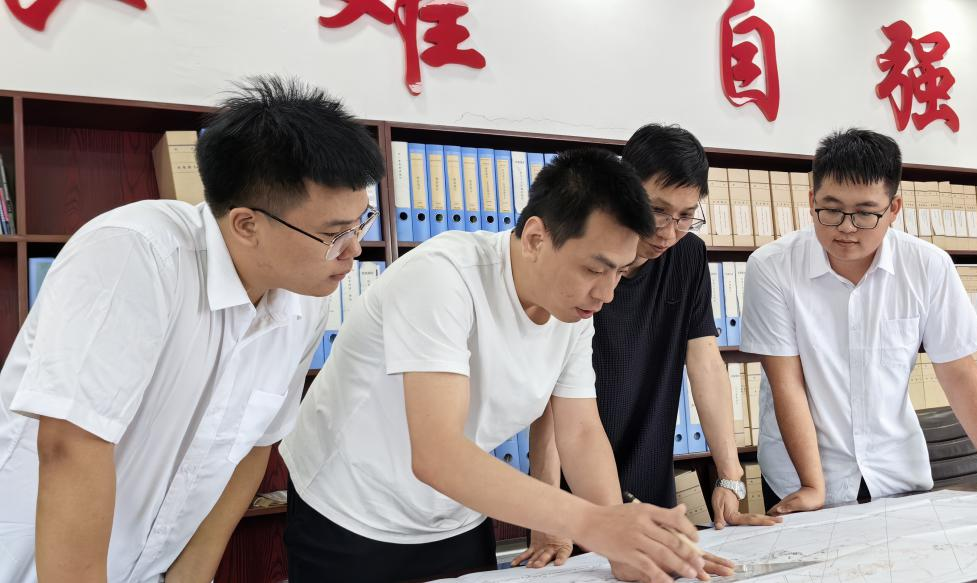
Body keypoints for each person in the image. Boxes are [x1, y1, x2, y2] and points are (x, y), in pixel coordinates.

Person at [0, 76, 383, 582]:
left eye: (362, 222)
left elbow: (255, 446)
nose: (355, 250)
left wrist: (190, 574)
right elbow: (71, 445)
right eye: (335, 234)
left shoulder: (303, 300)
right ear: (246, 224)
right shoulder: (136, 253)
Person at [279, 148, 714, 583]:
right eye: (593, 269)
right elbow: (437, 454)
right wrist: (592, 524)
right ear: (536, 238)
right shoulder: (442, 277)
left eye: (619, 272)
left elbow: (580, 432)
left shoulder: (574, 311)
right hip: (350, 510)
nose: (607, 293)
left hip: (455, 511)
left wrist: (623, 543)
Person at [740, 128, 977, 515]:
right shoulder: (772, 266)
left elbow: (958, 370)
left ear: (894, 208)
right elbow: (786, 382)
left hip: (896, 471)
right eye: (831, 210)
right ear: (811, 200)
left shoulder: (927, 265)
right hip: (798, 478)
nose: (846, 227)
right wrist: (812, 485)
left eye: (865, 212)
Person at [515, 124, 778, 571]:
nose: (669, 232)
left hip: (650, 473)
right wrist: (549, 509)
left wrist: (730, 476)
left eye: (685, 216)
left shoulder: (687, 256)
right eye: (657, 210)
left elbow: (705, 363)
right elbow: (552, 398)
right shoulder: (579, 258)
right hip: (573, 488)